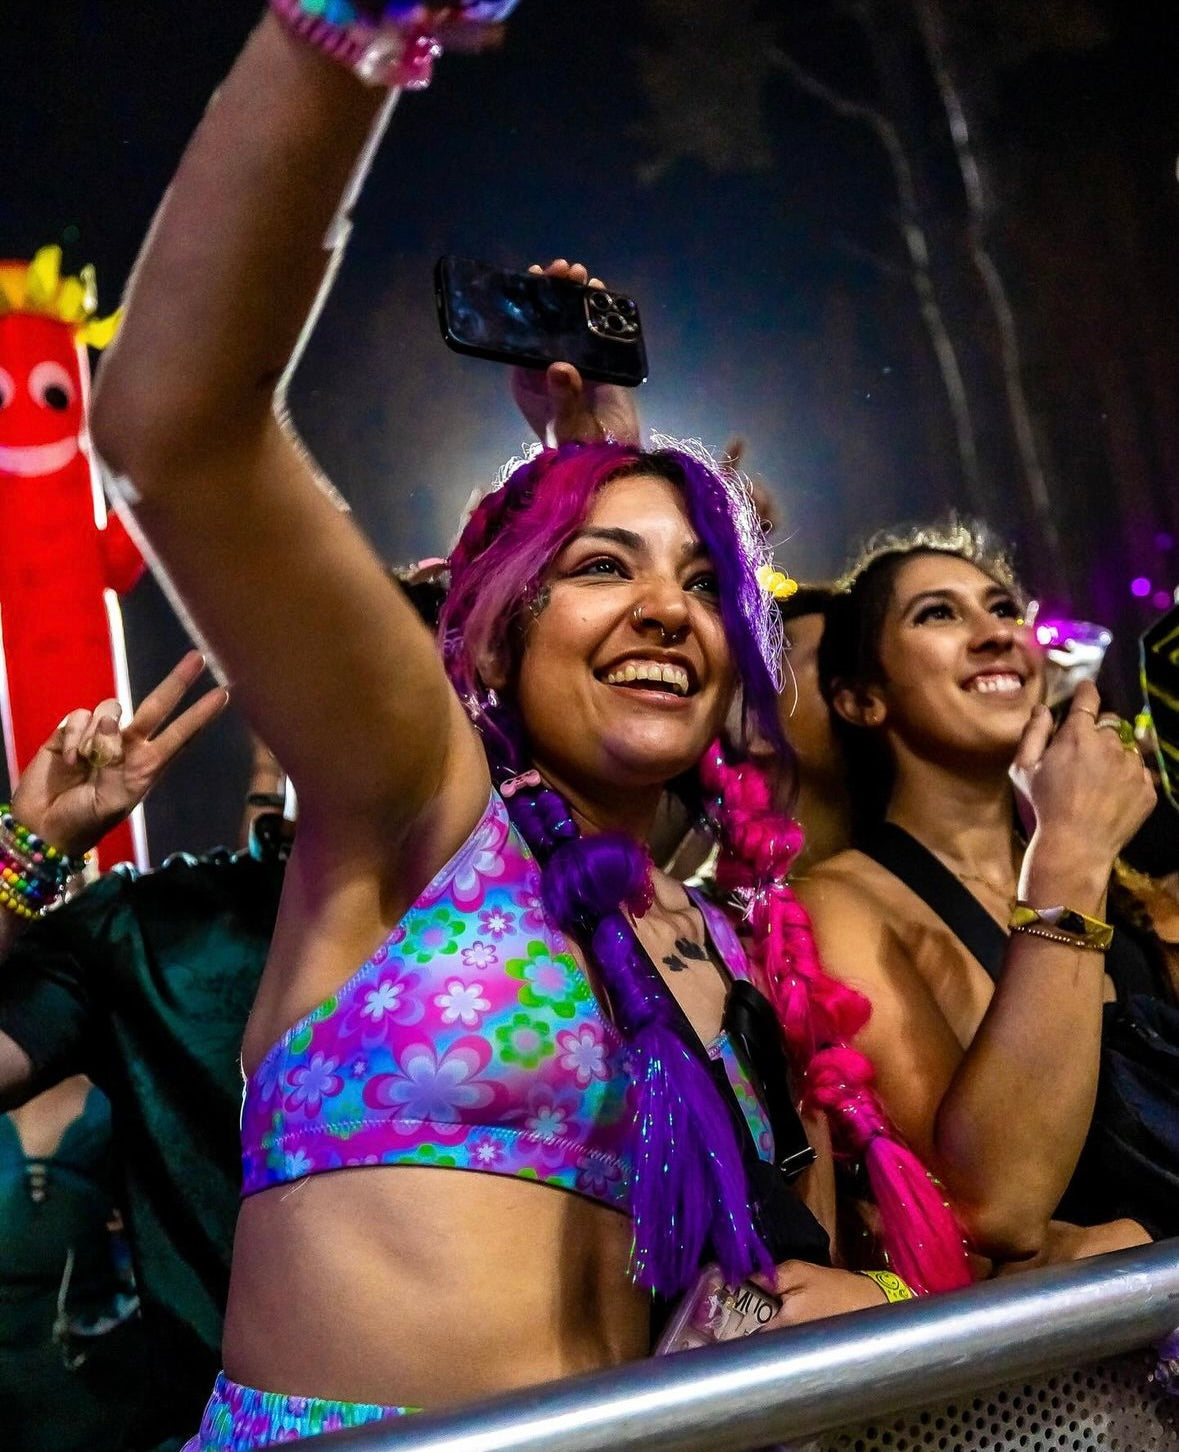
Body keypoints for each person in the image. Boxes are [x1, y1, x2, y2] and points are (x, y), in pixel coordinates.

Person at [88, 9, 967, 1445]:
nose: (668, 613)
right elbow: (174, 430)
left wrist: (822, 1305)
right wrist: (353, 38)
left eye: (699, 588)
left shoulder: (703, 936)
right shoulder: (416, 810)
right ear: (488, 629)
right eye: (602, 570)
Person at [795, 522, 1165, 1272]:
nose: (994, 635)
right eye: (938, 614)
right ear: (862, 700)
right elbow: (991, 1210)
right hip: (1051, 1382)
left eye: (1001, 609)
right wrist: (1067, 857)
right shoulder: (838, 906)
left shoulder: (1127, 896)